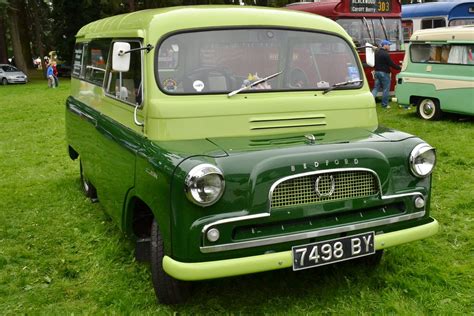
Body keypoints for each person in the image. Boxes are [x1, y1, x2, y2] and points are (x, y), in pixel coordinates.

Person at [371, 40, 401, 109]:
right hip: (384, 73)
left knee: (376, 88)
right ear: (385, 45)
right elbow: (391, 64)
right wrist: (399, 68)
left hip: (377, 72)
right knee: (386, 89)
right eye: (388, 45)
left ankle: (370, 102)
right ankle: (384, 105)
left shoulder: (377, 53)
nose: (389, 46)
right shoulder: (386, 54)